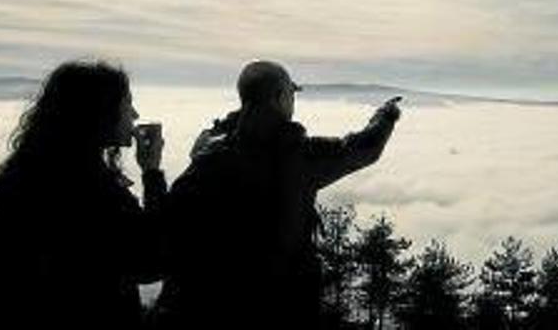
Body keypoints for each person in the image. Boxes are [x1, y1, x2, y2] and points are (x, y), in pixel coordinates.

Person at [156, 60, 401, 329]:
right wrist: (385, 116)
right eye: (292, 94)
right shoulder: (298, 156)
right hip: (281, 308)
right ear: (279, 97)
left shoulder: (208, 156)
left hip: (212, 307)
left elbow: (169, 228)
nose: (294, 102)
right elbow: (362, 149)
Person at [0, 60, 166, 330]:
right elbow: (151, 259)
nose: (134, 114)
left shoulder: (24, 175)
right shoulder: (91, 188)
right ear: (99, 113)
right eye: (126, 103)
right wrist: (152, 173)